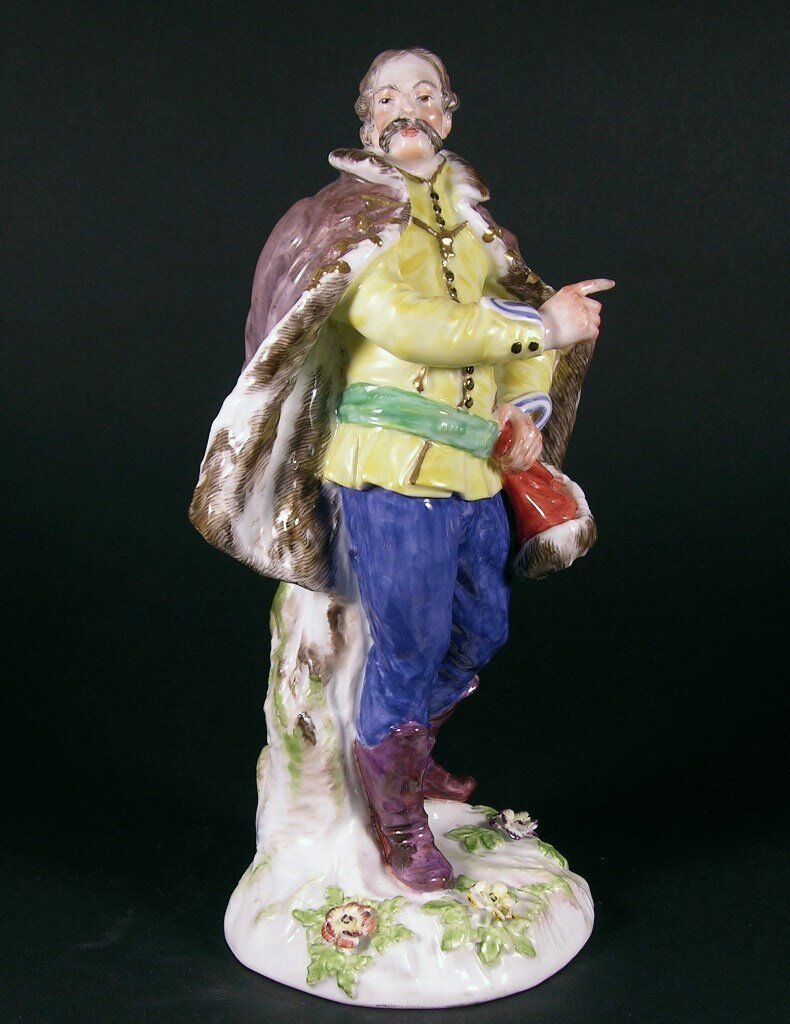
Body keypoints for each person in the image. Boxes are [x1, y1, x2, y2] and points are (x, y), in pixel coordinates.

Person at [189, 48, 613, 893]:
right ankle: (399, 822)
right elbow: (403, 322)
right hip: (390, 469)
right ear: (367, 122)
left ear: (448, 115)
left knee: (481, 629)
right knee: (409, 647)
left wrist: (524, 407)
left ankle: (406, 754)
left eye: (424, 94)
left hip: (472, 468)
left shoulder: (476, 224)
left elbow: (507, 320)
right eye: (387, 98)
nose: (406, 109)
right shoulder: (355, 220)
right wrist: (543, 329)